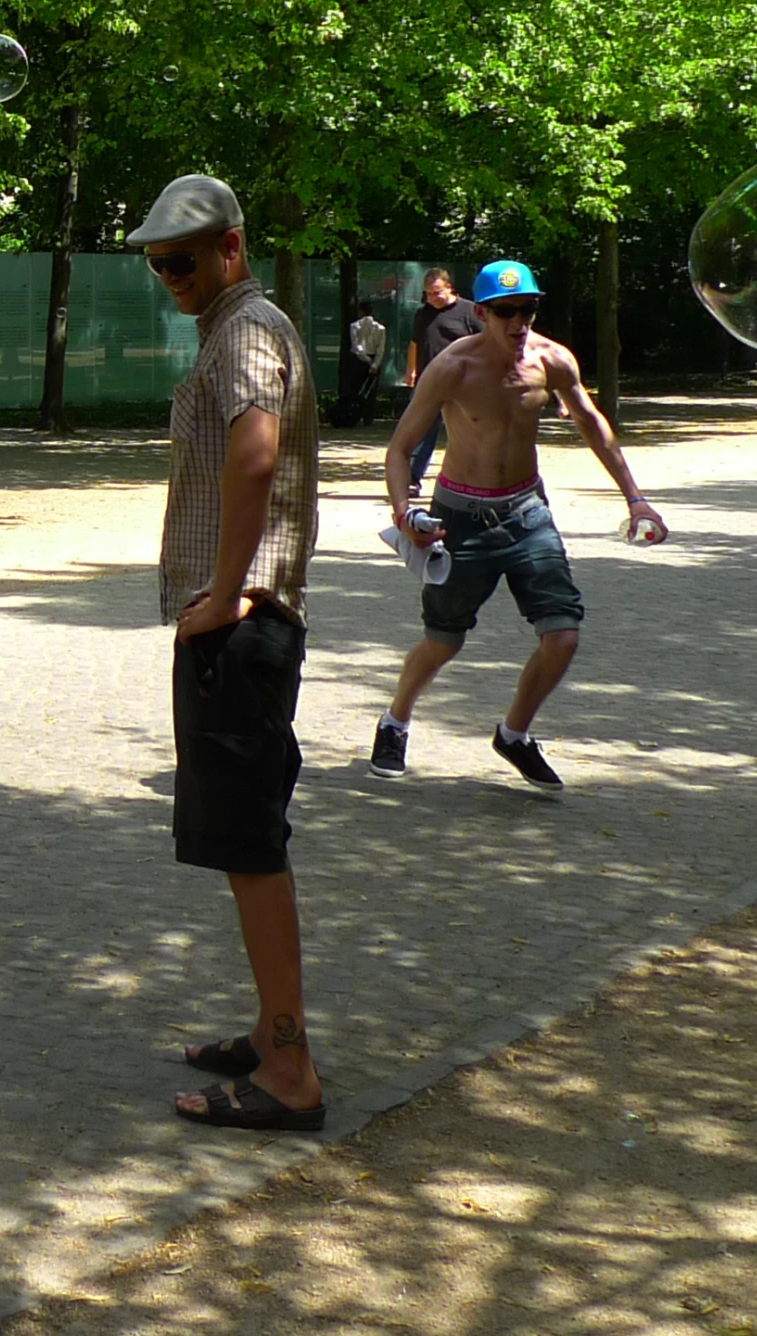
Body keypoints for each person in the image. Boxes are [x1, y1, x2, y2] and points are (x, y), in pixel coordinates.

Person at [132, 174, 327, 1133]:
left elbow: (255, 451)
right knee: (245, 840)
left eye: (184, 260)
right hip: (247, 623)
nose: (171, 277)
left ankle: (288, 1070)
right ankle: (269, 1027)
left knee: (251, 847)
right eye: (157, 265)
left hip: (243, 630)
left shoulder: (246, 333)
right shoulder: (242, 328)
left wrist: (222, 594)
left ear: (231, 249)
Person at [371, 260, 667, 790]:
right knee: (443, 641)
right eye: (506, 312)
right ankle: (395, 721)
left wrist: (636, 499)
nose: (518, 322)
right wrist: (404, 513)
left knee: (564, 635)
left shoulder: (552, 360)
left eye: (527, 309)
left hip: (527, 512)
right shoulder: (453, 367)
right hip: (459, 519)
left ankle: (513, 734)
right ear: (480, 313)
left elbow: (591, 423)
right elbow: (399, 449)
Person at [403, 267, 480, 491]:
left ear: (449, 288)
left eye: (437, 292)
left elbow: (485, 342)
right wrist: (411, 369)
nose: (433, 298)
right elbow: (415, 342)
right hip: (430, 381)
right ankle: (412, 479)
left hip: (464, 382)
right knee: (421, 429)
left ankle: (472, 479)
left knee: (468, 431)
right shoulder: (423, 313)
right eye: (428, 293)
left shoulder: (470, 311)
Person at [343, 300, 387, 426]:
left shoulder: (355, 326)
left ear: (360, 311)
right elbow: (381, 348)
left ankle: (354, 416)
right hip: (374, 359)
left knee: (355, 388)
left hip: (358, 360)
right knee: (370, 391)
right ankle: (368, 418)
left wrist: (366, 359)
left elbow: (356, 346)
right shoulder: (380, 328)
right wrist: (374, 364)